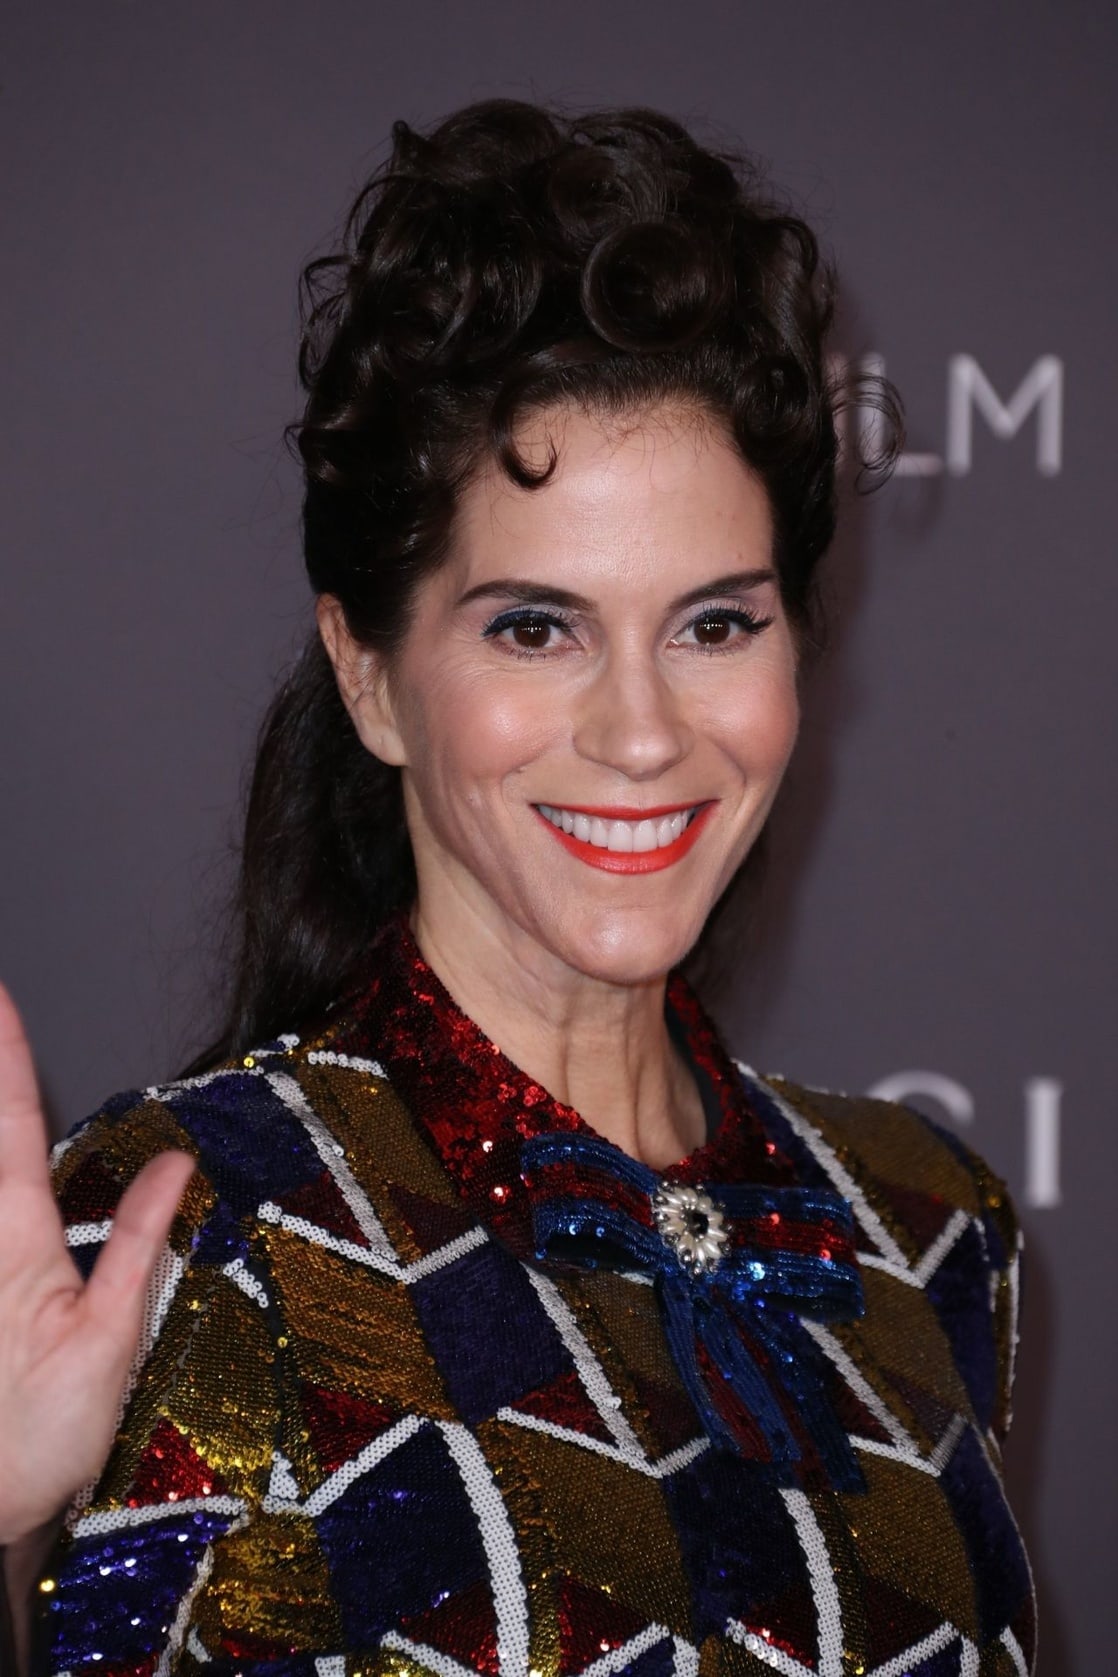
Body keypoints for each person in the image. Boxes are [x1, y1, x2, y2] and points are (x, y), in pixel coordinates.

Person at [0, 101, 1035, 1675]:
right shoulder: (193, 1227)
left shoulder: (922, 1226)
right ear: (367, 675)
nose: (639, 732)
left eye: (713, 624)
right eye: (533, 627)